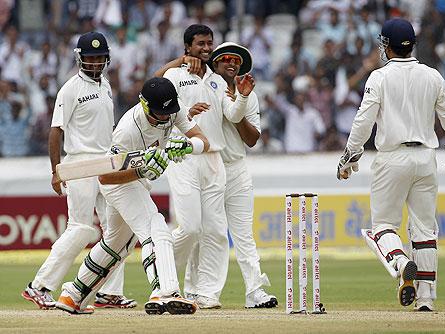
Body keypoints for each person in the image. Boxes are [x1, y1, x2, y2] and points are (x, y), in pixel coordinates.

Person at [55, 77, 209, 315]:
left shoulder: (171, 109)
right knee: (155, 226)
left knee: (118, 244)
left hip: (137, 181)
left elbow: (204, 141)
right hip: (118, 184)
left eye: (169, 112)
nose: (166, 118)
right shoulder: (128, 128)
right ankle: (165, 291)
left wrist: (189, 146)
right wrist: (141, 169)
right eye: (160, 113)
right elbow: (105, 178)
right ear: (145, 105)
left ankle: (73, 295)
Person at [337, 18, 445, 311]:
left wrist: (349, 157)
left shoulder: (379, 77)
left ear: (386, 46)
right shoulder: (433, 76)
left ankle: (400, 262)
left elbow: (363, 121)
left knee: (383, 227)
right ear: (412, 44)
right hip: (426, 158)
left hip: (392, 158)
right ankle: (425, 300)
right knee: (425, 230)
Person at [21, 31, 136, 310]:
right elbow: (55, 131)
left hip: (106, 162)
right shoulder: (70, 88)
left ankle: (108, 292)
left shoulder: (106, 86)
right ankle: (39, 286)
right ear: (80, 59)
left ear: (106, 59)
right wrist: (55, 170)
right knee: (82, 228)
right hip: (79, 162)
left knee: (115, 230)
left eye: (99, 58)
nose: (95, 63)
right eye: (90, 58)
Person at [154, 24, 255, 308]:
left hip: (214, 160)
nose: (207, 48)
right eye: (200, 44)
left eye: (209, 43)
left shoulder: (218, 79)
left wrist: (243, 96)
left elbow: (233, 115)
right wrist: (187, 111)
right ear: (188, 46)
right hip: (183, 157)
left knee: (214, 230)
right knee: (190, 228)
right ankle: (163, 278)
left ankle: (207, 292)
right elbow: (152, 91)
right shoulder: (175, 75)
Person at [182, 42, 278, 308]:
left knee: (243, 234)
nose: (231, 63)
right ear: (214, 63)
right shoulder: (204, 87)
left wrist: (241, 99)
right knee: (202, 232)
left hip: (236, 168)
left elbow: (251, 139)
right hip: (208, 166)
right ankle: (192, 289)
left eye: (236, 60)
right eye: (224, 59)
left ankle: (255, 291)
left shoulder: (249, 94)